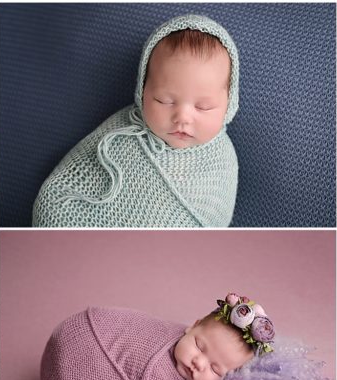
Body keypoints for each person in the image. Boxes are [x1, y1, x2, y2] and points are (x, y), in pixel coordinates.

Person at [33, 15, 239, 227]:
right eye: (164, 100)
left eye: (203, 107)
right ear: (142, 91)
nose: (183, 118)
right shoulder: (121, 133)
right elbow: (64, 185)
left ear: (228, 104)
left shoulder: (221, 163)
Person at [41, 292, 273, 380]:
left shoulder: (188, 346)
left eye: (215, 369)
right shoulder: (157, 377)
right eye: (200, 347)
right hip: (80, 335)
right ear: (192, 325)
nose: (198, 363)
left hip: (74, 345)